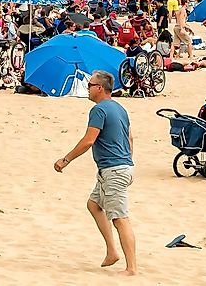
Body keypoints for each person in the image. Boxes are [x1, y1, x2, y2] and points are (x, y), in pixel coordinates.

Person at [53, 70, 136, 277]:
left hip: (114, 169)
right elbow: (130, 138)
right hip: (118, 168)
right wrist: (128, 162)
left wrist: (65, 160)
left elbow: (89, 140)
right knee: (94, 204)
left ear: (100, 88)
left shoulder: (99, 110)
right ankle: (112, 251)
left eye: (90, 85)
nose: (87, 88)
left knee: (120, 218)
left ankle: (132, 268)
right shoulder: (120, 108)